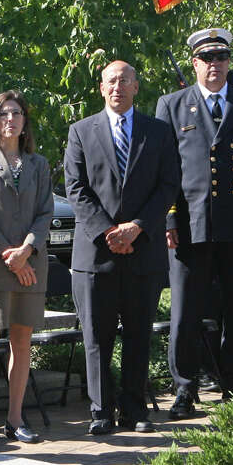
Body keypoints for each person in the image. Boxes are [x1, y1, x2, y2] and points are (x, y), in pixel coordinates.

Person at [156, 29, 233, 417]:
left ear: (229, 63)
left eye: (221, 58)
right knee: (186, 310)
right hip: (190, 226)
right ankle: (185, 388)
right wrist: (169, 218)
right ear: (194, 62)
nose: (215, 65)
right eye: (207, 58)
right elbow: (163, 171)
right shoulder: (172, 106)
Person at [64, 61, 179, 435]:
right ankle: (101, 411)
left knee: (137, 334)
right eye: (111, 81)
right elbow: (76, 188)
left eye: (124, 81)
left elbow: (168, 185)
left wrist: (137, 228)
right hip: (95, 255)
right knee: (97, 338)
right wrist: (109, 232)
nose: (117, 87)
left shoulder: (159, 132)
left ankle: (135, 411)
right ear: (101, 88)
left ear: (136, 86)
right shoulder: (81, 132)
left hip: (143, 250)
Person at [0, 90, 54, 445]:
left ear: (24, 120)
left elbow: (45, 213)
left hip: (31, 263)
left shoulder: (39, 164)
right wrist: (12, 257)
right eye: (3, 114)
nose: (10, 120)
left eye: (16, 113)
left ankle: (15, 419)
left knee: (22, 340)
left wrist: (27, 250)